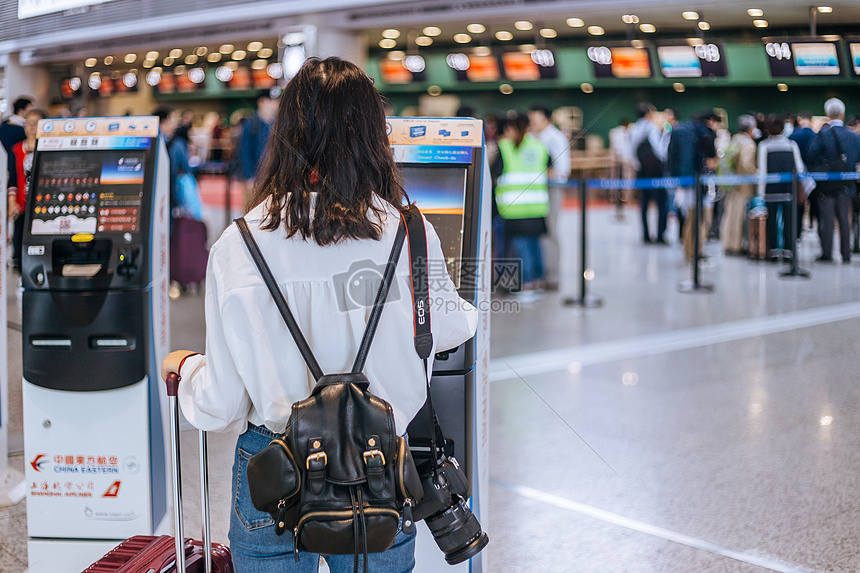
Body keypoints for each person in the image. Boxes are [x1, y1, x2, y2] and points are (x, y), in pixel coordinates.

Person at [159, 57, 477, 573]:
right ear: (374, 135)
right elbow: (452, 327)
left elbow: (221, 402)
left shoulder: (238, 245)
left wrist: (188, 366)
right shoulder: (409, 232)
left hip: (275, 470)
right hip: (378, 467)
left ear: (284, 135)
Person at [491, 113, 551, 298]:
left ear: (514, 129)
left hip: (515, 208)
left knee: (522, 248)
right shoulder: (538, 145)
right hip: (537, 206)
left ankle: (526, 286)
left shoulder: (505, 147)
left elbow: (495, 173)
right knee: (535, 246)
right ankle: (539, 282)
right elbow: (549, 165)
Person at [808, 98, 860, 263]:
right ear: (843, 115)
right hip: (847, 184)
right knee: (845, 219)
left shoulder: (822, 135)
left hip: (826, 185)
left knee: (827, 219)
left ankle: (827, 253)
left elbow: (811, 155)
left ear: (827, 115)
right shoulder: (854, 137)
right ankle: (846, 254)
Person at [528, 104, 570, 290]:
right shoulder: (532, 138)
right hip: (536, 190)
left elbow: (562, 171)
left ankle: (553, 276)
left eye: (535, 119)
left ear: (546, 119)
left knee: (551, 231)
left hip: (551, 190)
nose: (533, 123)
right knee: (538, 232)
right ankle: (540, 273)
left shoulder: (555, 138)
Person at [756, 115, 808, 261]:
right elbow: (799, 168)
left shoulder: (764, 146)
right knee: (789, 220)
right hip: (788, 189)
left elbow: (763, 171)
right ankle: (788, 252)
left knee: (771, 221)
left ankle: (773, 251)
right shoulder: (792, 145)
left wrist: (760, 192)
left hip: (771, 190)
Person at [7, 108, 45, 270]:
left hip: (43, 203)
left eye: (35, 124)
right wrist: (12, 201)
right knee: (20, 238)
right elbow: (13, 178)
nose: (31, 127)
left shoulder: (48, 147)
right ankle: (22, 275)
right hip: (23, 203)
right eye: (28, 123)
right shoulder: (16, 150)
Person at [628, 103, 667, 244]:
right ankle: (660, 235)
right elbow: (659, 149)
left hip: (641, 171)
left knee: (643, 204)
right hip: (654, 172)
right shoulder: (651, 128)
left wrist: (638, 165)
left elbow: (631, 152)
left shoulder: (633, 128)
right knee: (661, 203)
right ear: (648, 113)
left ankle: (645, 235)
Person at [721, 115, 758, 255]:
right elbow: (746, 164)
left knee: (730, 214)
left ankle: (728, 243)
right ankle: (737, 245)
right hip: (743, 185)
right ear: (749, 128)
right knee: (739, 216)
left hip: (731, 183)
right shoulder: (748, 143)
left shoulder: (734, 140)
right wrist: (755, 174)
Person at [239, 90, 279, 201]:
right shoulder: (251, 123)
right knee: (252, 210)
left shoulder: (278, 123)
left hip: (273, 177)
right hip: (255, 178)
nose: (275, 103)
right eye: (271, 100)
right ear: (261, 102)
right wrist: (248, 177)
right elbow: (244, 152)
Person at [789, 111, 817, 232]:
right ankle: (812, 225)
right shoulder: (816, 136)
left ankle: (797, 232)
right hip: (814, 174)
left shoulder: (793, 136)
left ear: (799, 119)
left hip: (798, 176)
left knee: (798, 205)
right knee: (814, 204)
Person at [608, 116, 633, 221]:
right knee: (618, 184)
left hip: (624, 161)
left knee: (624, 184)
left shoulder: (628, 133)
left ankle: (623, 202)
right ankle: (618, 202)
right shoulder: (616, 133)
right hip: (619, 162)